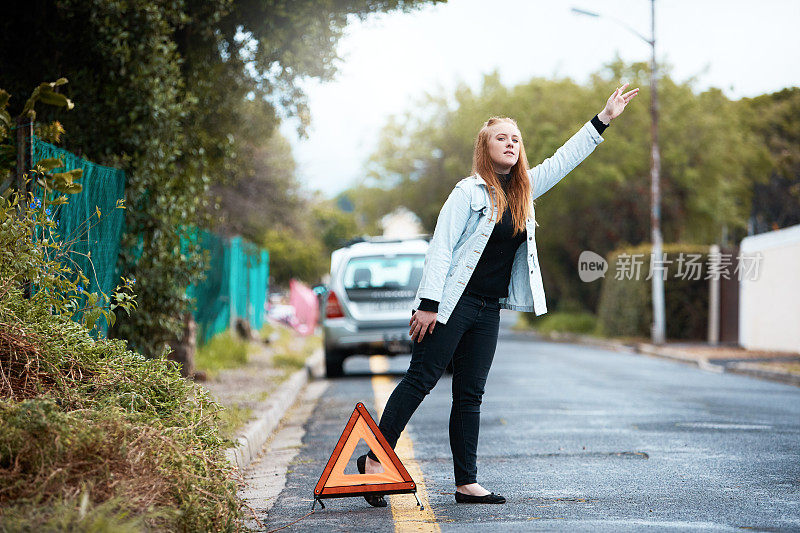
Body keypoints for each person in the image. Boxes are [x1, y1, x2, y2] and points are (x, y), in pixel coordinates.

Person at [356, 83, 640, 506]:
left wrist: (603, 119)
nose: (510, 143)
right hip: (453, 304)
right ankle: (373, 464)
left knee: (470, 393)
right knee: (421, 380)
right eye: (501, 137)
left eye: (515, 138)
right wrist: (429, 304)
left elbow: (564, 160)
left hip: (489, 309)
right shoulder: (467, 192)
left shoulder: (524, 189)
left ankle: (465, 482)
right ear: (484, 147)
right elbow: (442, 247)